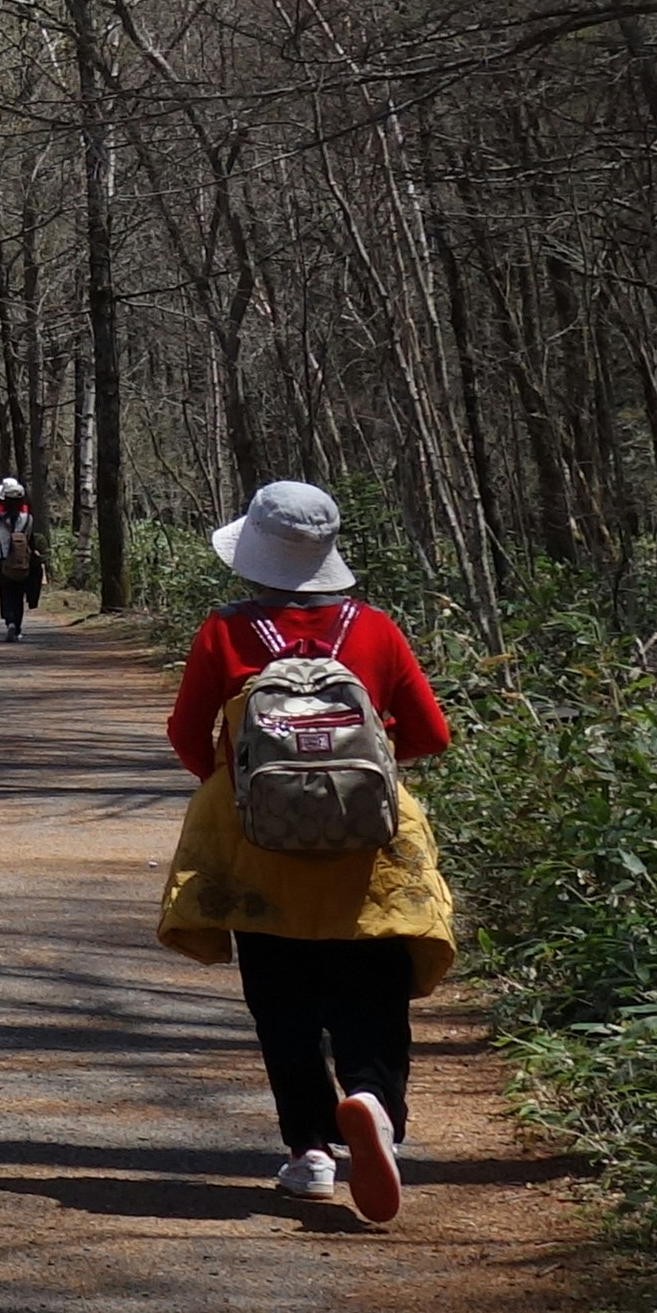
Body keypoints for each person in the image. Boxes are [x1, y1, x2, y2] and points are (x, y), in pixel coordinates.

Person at [153, 478, 459, 1226]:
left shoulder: (224, 632)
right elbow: (430, 735)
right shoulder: (376, 629)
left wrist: (247, 792)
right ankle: (374, 1105)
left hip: (260, 853)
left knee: (282, 1004)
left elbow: (189, 737)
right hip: (370, 851)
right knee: (372, 995)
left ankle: (311, 1153)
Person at [0, 478, 44, 641]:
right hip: (22, 562)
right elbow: (30, 539)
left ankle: (10, 621)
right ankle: (18, 627)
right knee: (19, 594)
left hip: (3, 560)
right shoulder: (28, 518)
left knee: (6, 593)